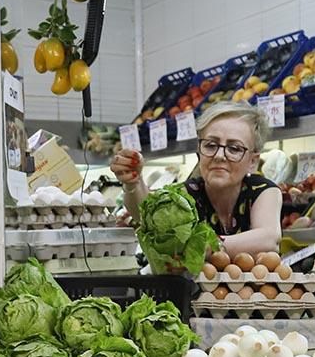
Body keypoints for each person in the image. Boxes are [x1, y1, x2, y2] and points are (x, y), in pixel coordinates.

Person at [111, 101, 284, 258]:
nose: (219, 156)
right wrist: (133, 182)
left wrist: (206, 246)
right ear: (199, 152)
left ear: (252, 162)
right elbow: (146, 213)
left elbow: (269, 237)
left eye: (234, 148)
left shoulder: (262, 191)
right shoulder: (187, 195)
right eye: (210, 145)